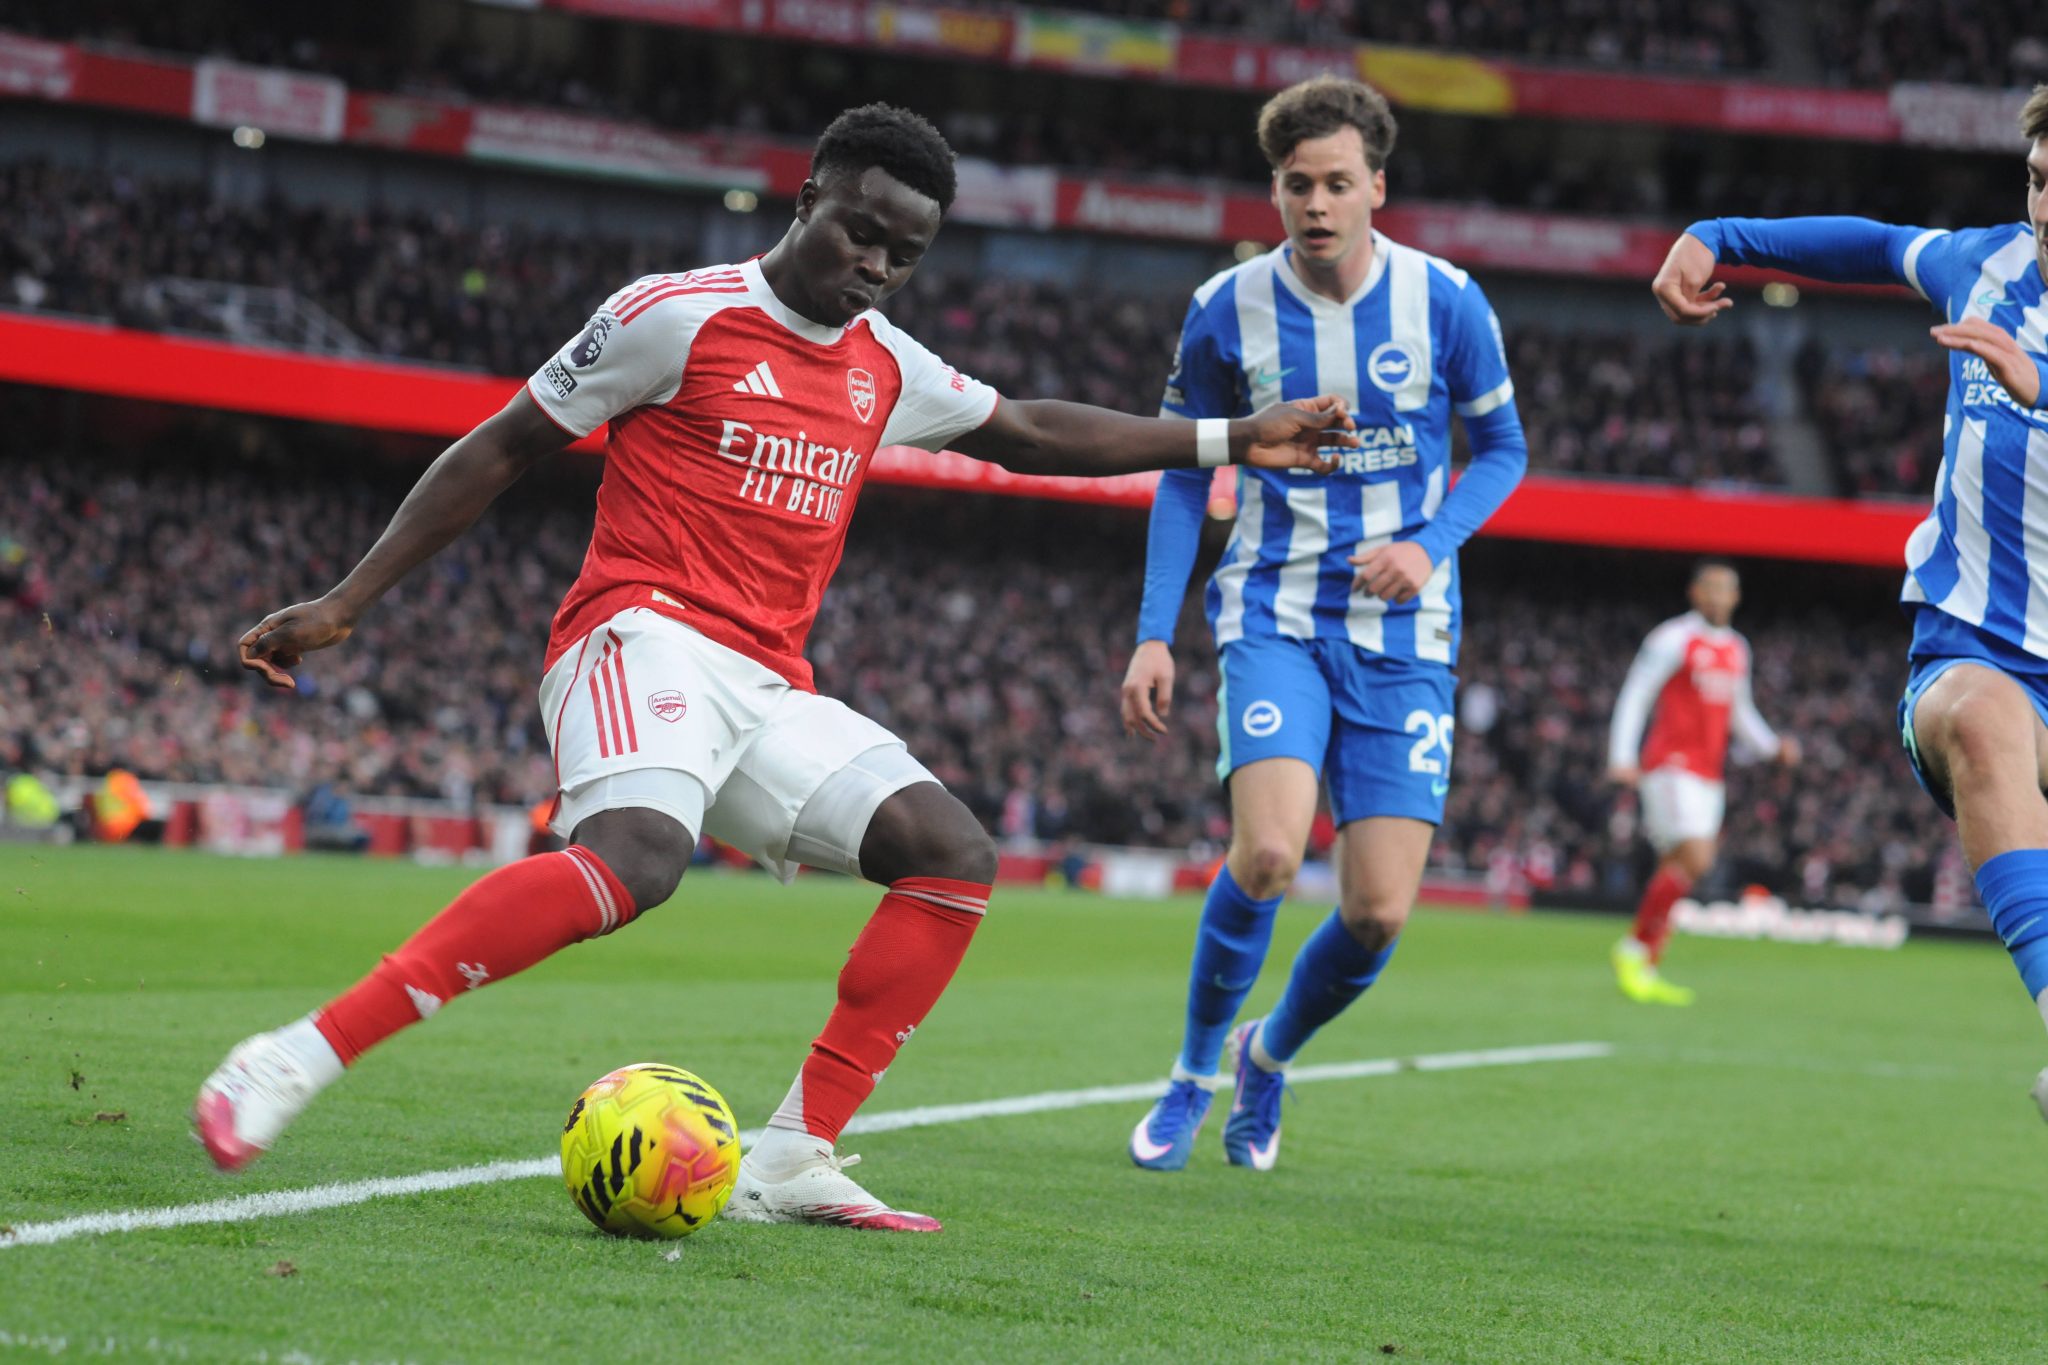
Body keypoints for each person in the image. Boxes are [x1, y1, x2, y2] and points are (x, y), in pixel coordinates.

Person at [193, 104, 1357, 1229]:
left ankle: (794, 1154)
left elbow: (1036, 434)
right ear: (807, 200)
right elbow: (499, 446)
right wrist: (349, 601)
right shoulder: (674, 316)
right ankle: (295, 1055)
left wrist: (1234, 438)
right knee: (636, 863)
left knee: (948, 853)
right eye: (862, 230)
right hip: (637, 632)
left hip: (763, 681)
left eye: (904, 253)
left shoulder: (880, 365)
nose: (876, 265)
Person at [1119, 77, 1528, 1173]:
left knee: (1379, 913)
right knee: (1263, 851)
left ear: (1374, 188)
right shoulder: (1225, 307)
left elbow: (1502, 451)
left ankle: (1267, 1053)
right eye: (1296, 183)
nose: (1315, 202)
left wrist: (1426, 546)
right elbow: (1174, 475)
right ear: (1274, 189)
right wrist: (1155, 630)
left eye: (1336, 182)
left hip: (1405, 635)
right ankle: (1191, 1074)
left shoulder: (1444, 301)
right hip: (1273, 612)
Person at [1649, 85, 2048, 1109]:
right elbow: (1870, 246)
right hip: (1980, 647)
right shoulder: (1982, 269)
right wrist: (1715, 234)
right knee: (1976, 720)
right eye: (2039, 182)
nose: (2044, 210)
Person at [1606, 561, 1799, 1005]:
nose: (1717, 597)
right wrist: (1621, 756)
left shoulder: (1736, 647)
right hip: (1670, 765)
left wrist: (1772, 748)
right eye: (1710, 589)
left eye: (1726, 590)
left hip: (1709, 774)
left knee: (1675, 867)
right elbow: (1637, 693)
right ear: (1695, 593)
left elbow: (1740, 711)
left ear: (1736, 597)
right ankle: (1633, 948)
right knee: (1697, 858)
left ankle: (1646, 965)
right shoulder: (1672, 638)